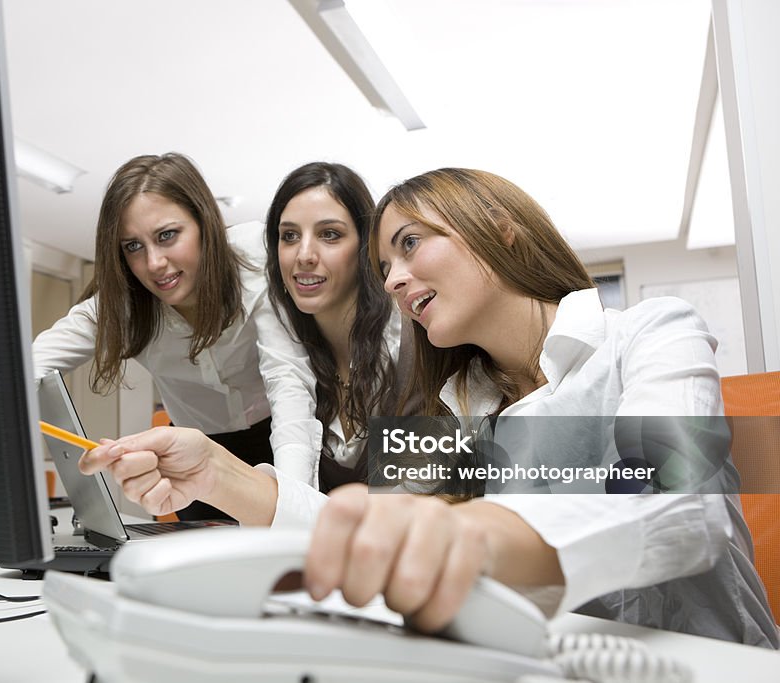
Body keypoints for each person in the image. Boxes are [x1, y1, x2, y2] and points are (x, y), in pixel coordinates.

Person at [77, 167, 778, 648]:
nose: (396, 279)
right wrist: (218, 474)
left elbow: (675, 504)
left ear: (500, 227)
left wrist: (469, 535)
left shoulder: (651, 332)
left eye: (410, 244)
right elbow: (372, 526)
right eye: (386, 264)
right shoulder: (452, 405)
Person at [31, 152, 319, 518]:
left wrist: (296, 509)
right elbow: (25, 371)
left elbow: (288, 384)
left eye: (167, 236)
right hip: (197, 457)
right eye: (133, 246)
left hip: (282, 438)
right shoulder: (120, 305)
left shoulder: (256, 258)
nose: (153, 264)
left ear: (204, 224)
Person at [263, 162, 400, 492]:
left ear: (366, 246)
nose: (304, 255)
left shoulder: (406, 338)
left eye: (329, 234)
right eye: (289, 236)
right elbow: (292, 443)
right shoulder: (285, 337)